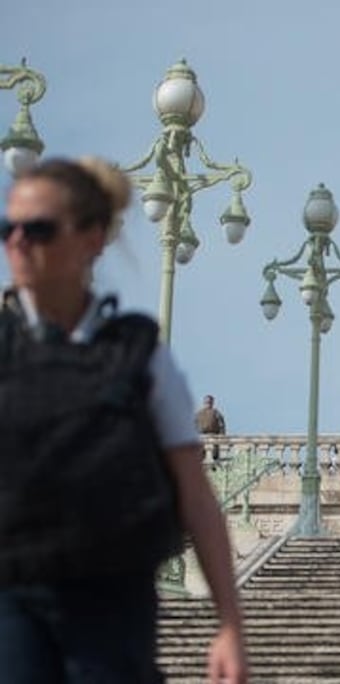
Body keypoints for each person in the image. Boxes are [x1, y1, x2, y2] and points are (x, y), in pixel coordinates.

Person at [0, 157, 248, 682]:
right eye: (8, 227)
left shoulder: (139, 356)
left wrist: (229, 624)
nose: (18, 241)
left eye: (39, 229)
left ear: (92, 238)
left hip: (111, 602)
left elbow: (195, 495)